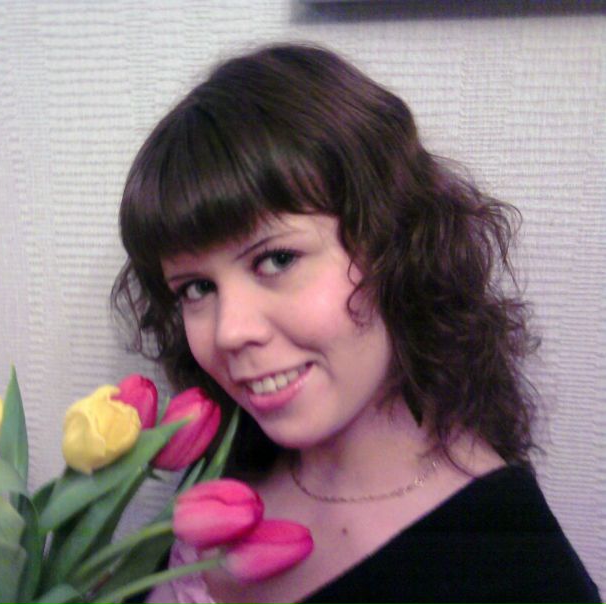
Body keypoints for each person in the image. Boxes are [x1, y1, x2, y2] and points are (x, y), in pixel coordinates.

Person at [112, 43, 600, 604]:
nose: (229, 332)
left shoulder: (516, 571)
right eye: (197, 288)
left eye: (277, 259)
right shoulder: (228, 460)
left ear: (396, 246)